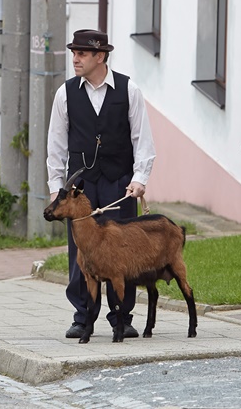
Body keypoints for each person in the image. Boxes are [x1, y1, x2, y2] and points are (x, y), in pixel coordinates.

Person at [46, 29, 156, 339]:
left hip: (118, 183)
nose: (75, 59)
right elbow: (55, 145)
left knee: (123, 249)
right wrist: (57, 189)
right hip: (80, 187)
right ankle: (83, 316)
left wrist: (139, 180)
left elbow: (142, 139)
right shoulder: (65, 93)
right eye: (74, 52)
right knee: (82, 251)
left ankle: (122, 314)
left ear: (100, 56)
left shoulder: (128, 89)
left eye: (82, 53)